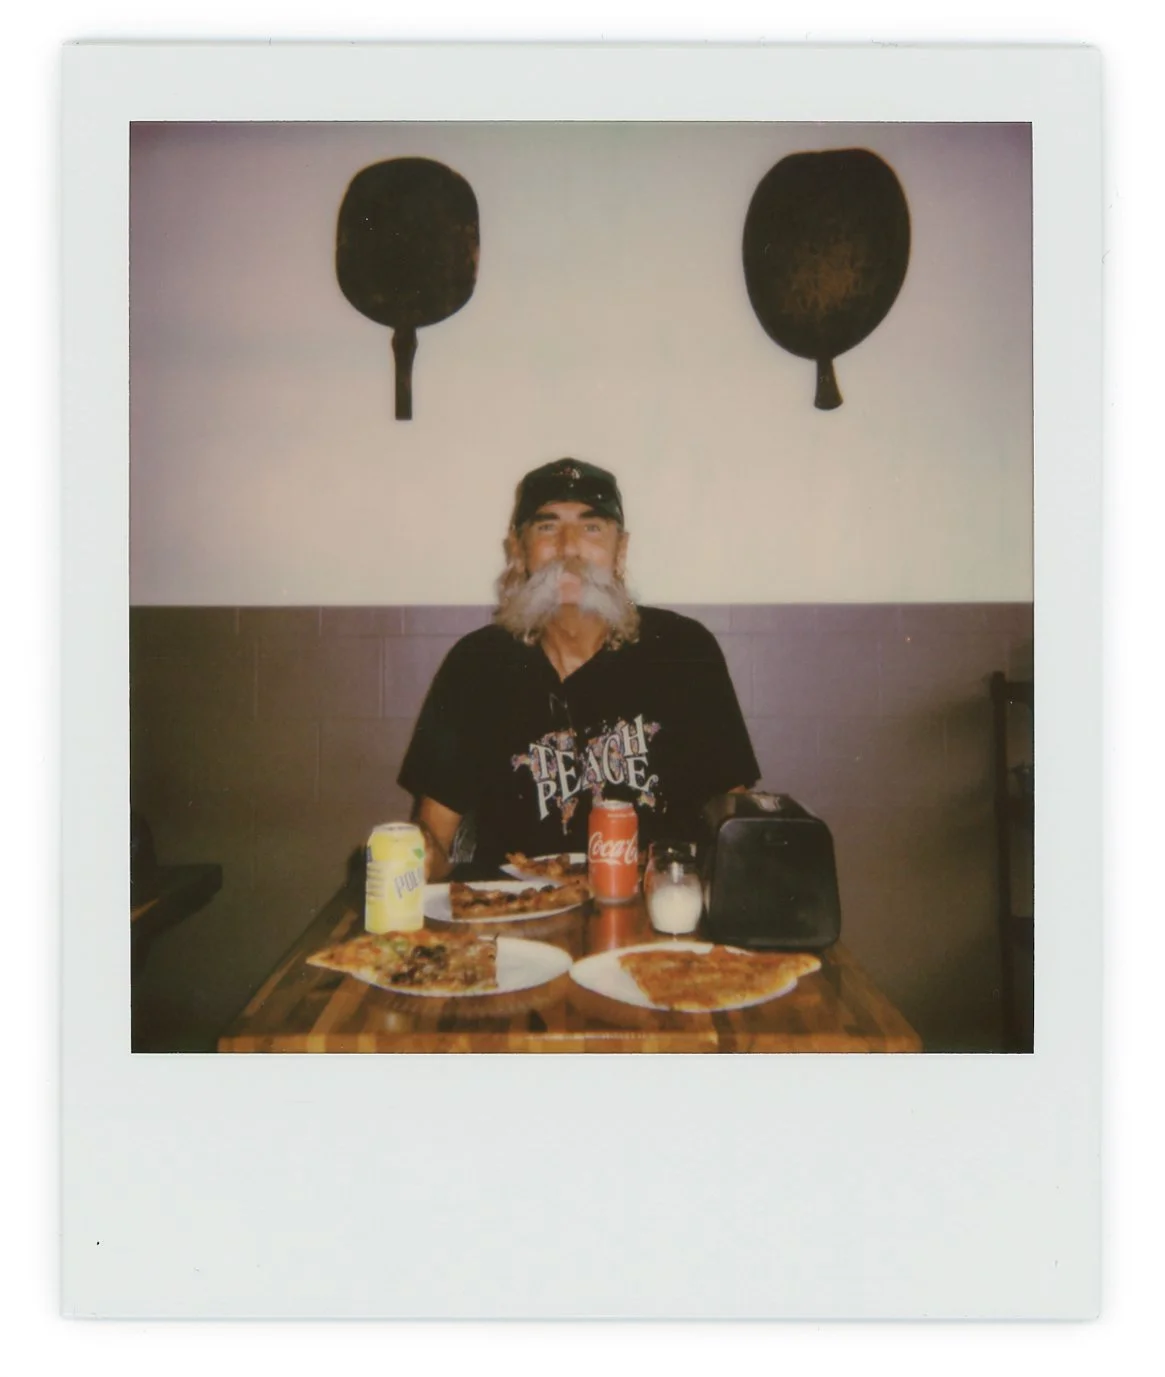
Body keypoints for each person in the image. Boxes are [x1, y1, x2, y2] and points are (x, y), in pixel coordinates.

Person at [398, 458, 760, 878]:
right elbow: (434, 839)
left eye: (591, 528)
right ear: (517, 550)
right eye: (547, 527)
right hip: (510, 919)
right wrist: (409, 856)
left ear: (620, 550)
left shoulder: (683, 651)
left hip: (659, 918)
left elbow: (734, 820)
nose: (569, 548)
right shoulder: (475, 665)